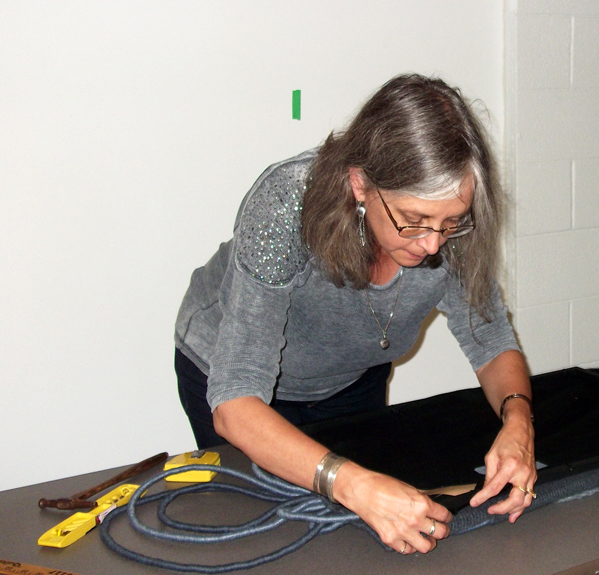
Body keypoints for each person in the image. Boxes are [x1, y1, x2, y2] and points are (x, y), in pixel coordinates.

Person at [173, 74, 536, 555]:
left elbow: (490, 344)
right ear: (360, 183)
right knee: (271, 539)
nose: (433, 244)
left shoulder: (453, 223)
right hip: (230, 384)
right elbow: (236, 399)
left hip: (348, 378)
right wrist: (351, 483)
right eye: (414, 220)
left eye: (450, 223)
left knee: (356, 541)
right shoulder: (287, 203)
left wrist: (518, 423)